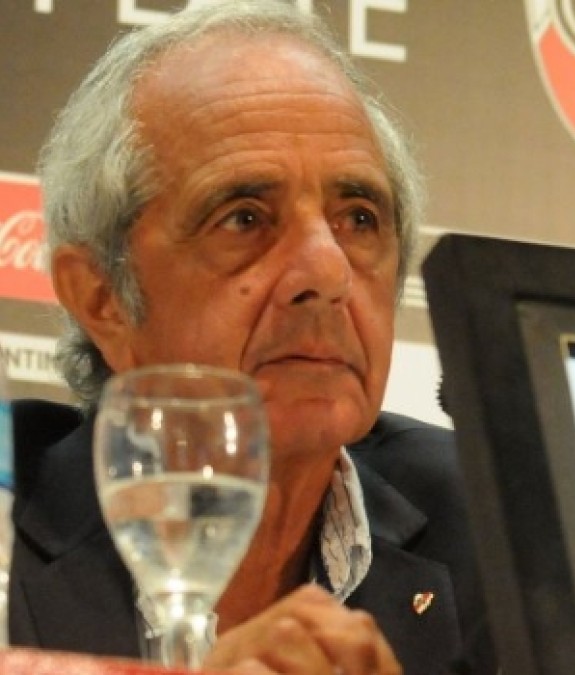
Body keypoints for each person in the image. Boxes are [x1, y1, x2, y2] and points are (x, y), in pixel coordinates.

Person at [8, 1, 495, 673]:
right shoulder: (9, 520)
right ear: (103, 297)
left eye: (359, 218)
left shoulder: (495, 528)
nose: (326, 272)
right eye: (244, 218)